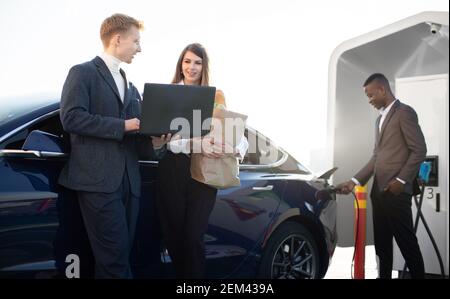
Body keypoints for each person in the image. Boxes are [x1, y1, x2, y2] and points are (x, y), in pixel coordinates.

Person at [58, 13, 170, 278]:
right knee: (115, 262)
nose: (139, 48)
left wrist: (156, 140)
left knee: (116, 259)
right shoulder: (82, 72)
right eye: (136, 41)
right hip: (97, 181)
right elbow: (71, 118)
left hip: (129, 183)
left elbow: (137, 133)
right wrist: (123, 126)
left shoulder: (130, 86)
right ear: (117, 39)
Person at [156, 43, 249, 278]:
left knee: (194, 236)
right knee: (174, 235)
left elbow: (234, 132)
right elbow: (171, 142)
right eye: (187, 61)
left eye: (197, 62)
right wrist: (197, 143)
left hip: (205, 170)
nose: (192, 67)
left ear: (204, 66)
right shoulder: (168, 94)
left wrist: (234, 148)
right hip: (173, 171)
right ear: (180, 64)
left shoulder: (216, 96)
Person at [336, 73, 427, 279]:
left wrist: (401, 181)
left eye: (370, 96)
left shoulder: (404, 113)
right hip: (378, 192)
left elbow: (419, 149)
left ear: (382, 90)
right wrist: (353, 182)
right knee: (382, 245)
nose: (369, 101)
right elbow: (376, 157)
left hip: (396, 193)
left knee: (407, 244)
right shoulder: (379, 119)